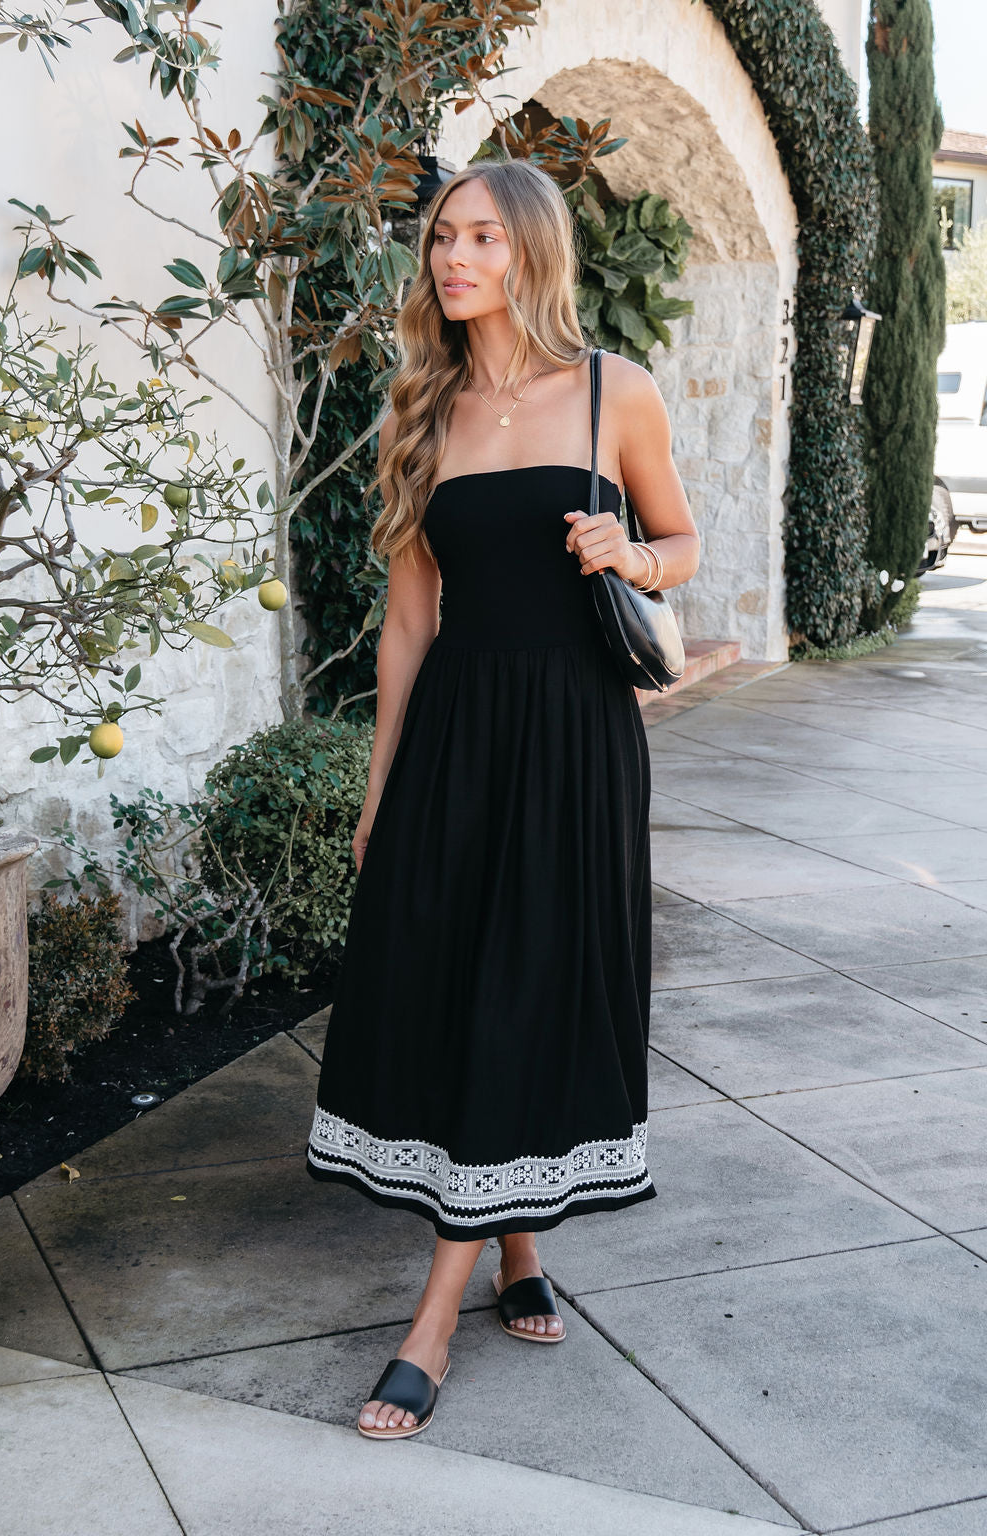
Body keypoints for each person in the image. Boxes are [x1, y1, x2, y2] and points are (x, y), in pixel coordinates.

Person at [305, 158, 700, 1440]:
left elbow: (681, 541)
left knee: (528, 981)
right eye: (440, 238)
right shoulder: (421, 410)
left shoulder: (611, 391)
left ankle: (429, 1327)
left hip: (574, 744)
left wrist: (630, 551)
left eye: (478, 236)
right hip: (458, 740)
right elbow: (409, 621)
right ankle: (519, 1244)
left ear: (529, 251)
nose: (450, 258)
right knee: (463, 981)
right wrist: (380, 791)